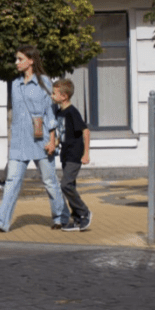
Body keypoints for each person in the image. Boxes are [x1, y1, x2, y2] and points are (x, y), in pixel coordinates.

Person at [0, 46, 69, 232]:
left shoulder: (44, 82)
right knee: (12, 181)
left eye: (20, 59)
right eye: (16, 59)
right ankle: (1, 221)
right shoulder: (14, 84)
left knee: (49, 181)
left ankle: (61, 217)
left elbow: (50, 113)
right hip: (19, 142)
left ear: (31, 61)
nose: (16, 63)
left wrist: (52, 140)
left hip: (41, 139)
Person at [52, 78, 93, 232]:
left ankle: (84, 212)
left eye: (54, 93)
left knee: (66, 185)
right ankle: (77, 220)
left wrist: (86, 153)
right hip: (65, 154)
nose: (52, 95)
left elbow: (86, 131)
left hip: (75, 154)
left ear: (64, 96)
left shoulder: (72, 112)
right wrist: (54, 143)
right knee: (70, 186)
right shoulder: (59, 111)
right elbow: (61, 132)